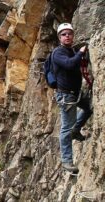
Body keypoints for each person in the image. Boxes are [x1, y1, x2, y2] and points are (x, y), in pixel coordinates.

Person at [53, 23, 93, 173]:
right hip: (66, 96)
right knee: (65, 128)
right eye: (64, 34)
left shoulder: (72, 50)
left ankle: (76, 130)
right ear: (59, 37)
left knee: (89, 108)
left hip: (75, 93)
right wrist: (81, 52)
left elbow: (78, 63)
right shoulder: (58, 53)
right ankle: (67, 161)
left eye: (69, 33)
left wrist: (82, 53)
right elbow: (69, 65)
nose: (67, 36)